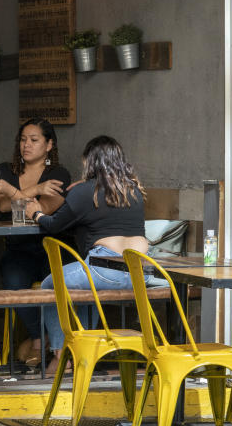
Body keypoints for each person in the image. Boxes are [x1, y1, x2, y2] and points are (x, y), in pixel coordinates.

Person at [25, 135, 154, 373]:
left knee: (51, 283)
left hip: (105, 270)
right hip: (140, 272)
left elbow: (54, 225)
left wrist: (36, 213)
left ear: (90, 162)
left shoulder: (84, 192)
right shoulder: (133, 191)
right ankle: (83, 351)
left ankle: (62, 354)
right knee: (85, 289)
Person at [0, 118, 71, 366]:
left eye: (34, 140)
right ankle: (38, 336)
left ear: (49, 144)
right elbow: (2, 206)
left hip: (50, 248)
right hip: (18, 248)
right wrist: (36, 188)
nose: (27, 145)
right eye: (23, 140)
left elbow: (42, 209)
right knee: (13, 284)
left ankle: (56, 347)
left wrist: (13, 193)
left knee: (55, 287)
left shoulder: (59, 174)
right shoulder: (5, 170)